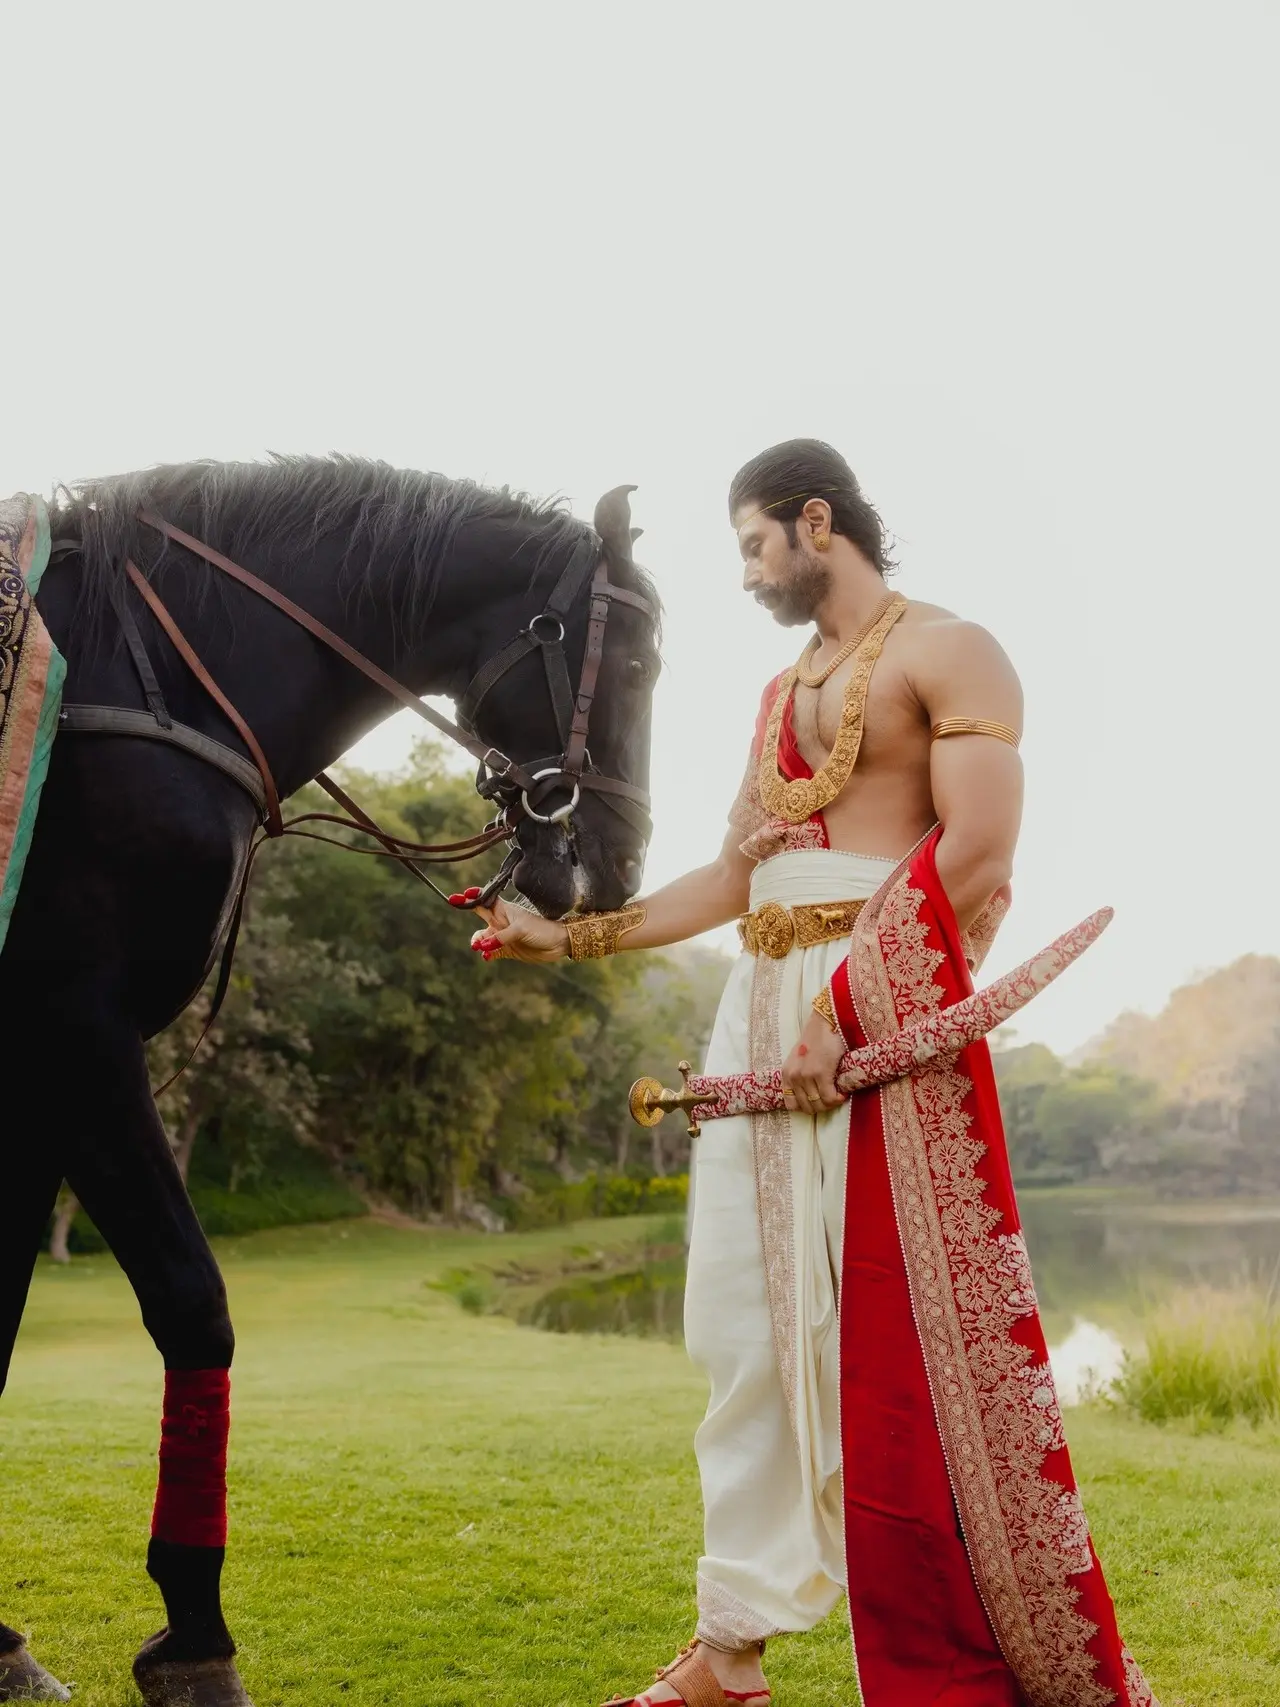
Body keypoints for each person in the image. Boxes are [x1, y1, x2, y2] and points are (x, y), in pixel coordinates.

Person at [472, 440, 1154, 1707]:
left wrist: (844, 1009)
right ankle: (728, 1652)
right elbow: (736, 878)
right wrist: (565, 939)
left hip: (873, 1014)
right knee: (740, 1328)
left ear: (815, 520)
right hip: (760, 1010)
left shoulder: (951, 651)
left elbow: (979, 846)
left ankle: (962, 1652)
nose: (744, 574)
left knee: (896, 1347)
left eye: (750, 545)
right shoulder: (780, 692)